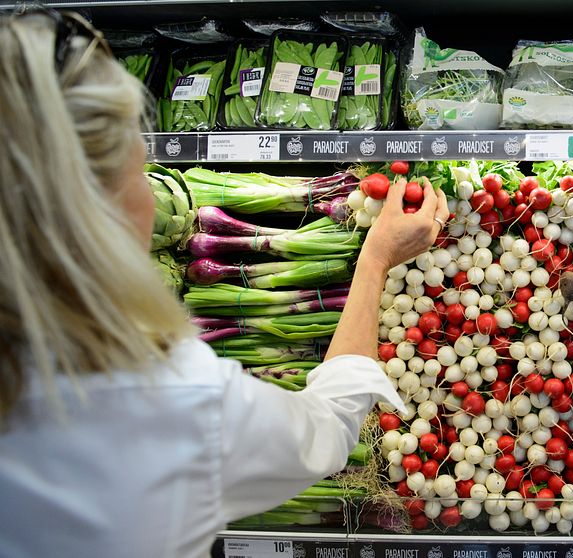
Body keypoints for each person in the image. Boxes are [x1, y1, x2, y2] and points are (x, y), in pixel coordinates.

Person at [0, 10, 447, 557]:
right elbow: (327, 433)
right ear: (100, 205)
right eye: (139, 169)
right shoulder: (166, 400)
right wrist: (375, 257)